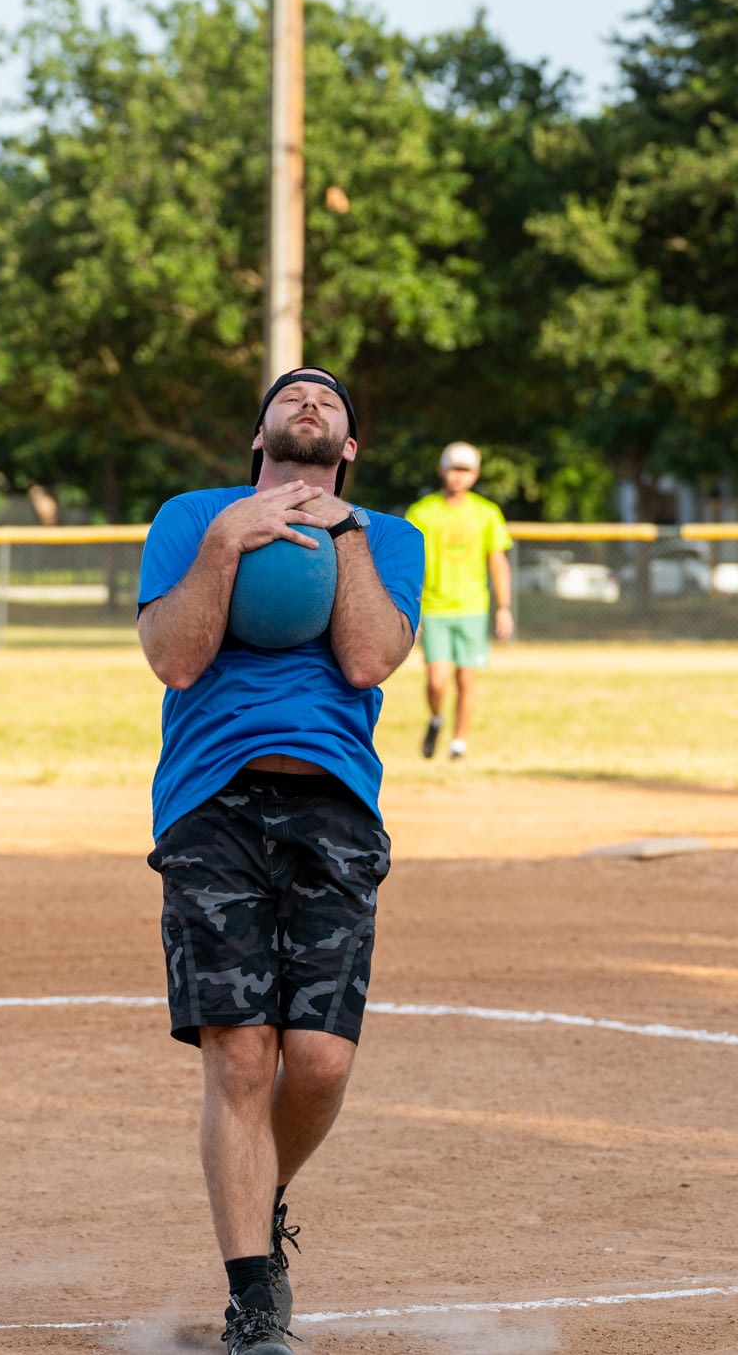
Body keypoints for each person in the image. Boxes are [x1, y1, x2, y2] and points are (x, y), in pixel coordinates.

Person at [136, 368, 425, 1355]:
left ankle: (260, 1199)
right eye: (291, 396)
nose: (309, 405)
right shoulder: (190, 516)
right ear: (256, 430)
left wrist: (339, 533)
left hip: (335, 804)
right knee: (241, 1054)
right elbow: (174, 658)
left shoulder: (388, 537)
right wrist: (228, 542)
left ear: (346, 448)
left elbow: (367, 659)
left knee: (318, 1060)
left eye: (330, 403)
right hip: (208, 804)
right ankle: (253, 1300)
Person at [403, 442, 513, 763]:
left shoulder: (487, 512)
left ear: (475, 475)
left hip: (472, 608)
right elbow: (411, 565)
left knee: (466, 679)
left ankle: (458, 743)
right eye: (453, 469)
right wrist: (412, 608)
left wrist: (504, 607)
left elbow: (498, 561)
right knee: (437, 680)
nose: (458, 477)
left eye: (465, 470)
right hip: (435, 608)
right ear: (441, 470)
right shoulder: (422, 511)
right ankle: (437, 718)